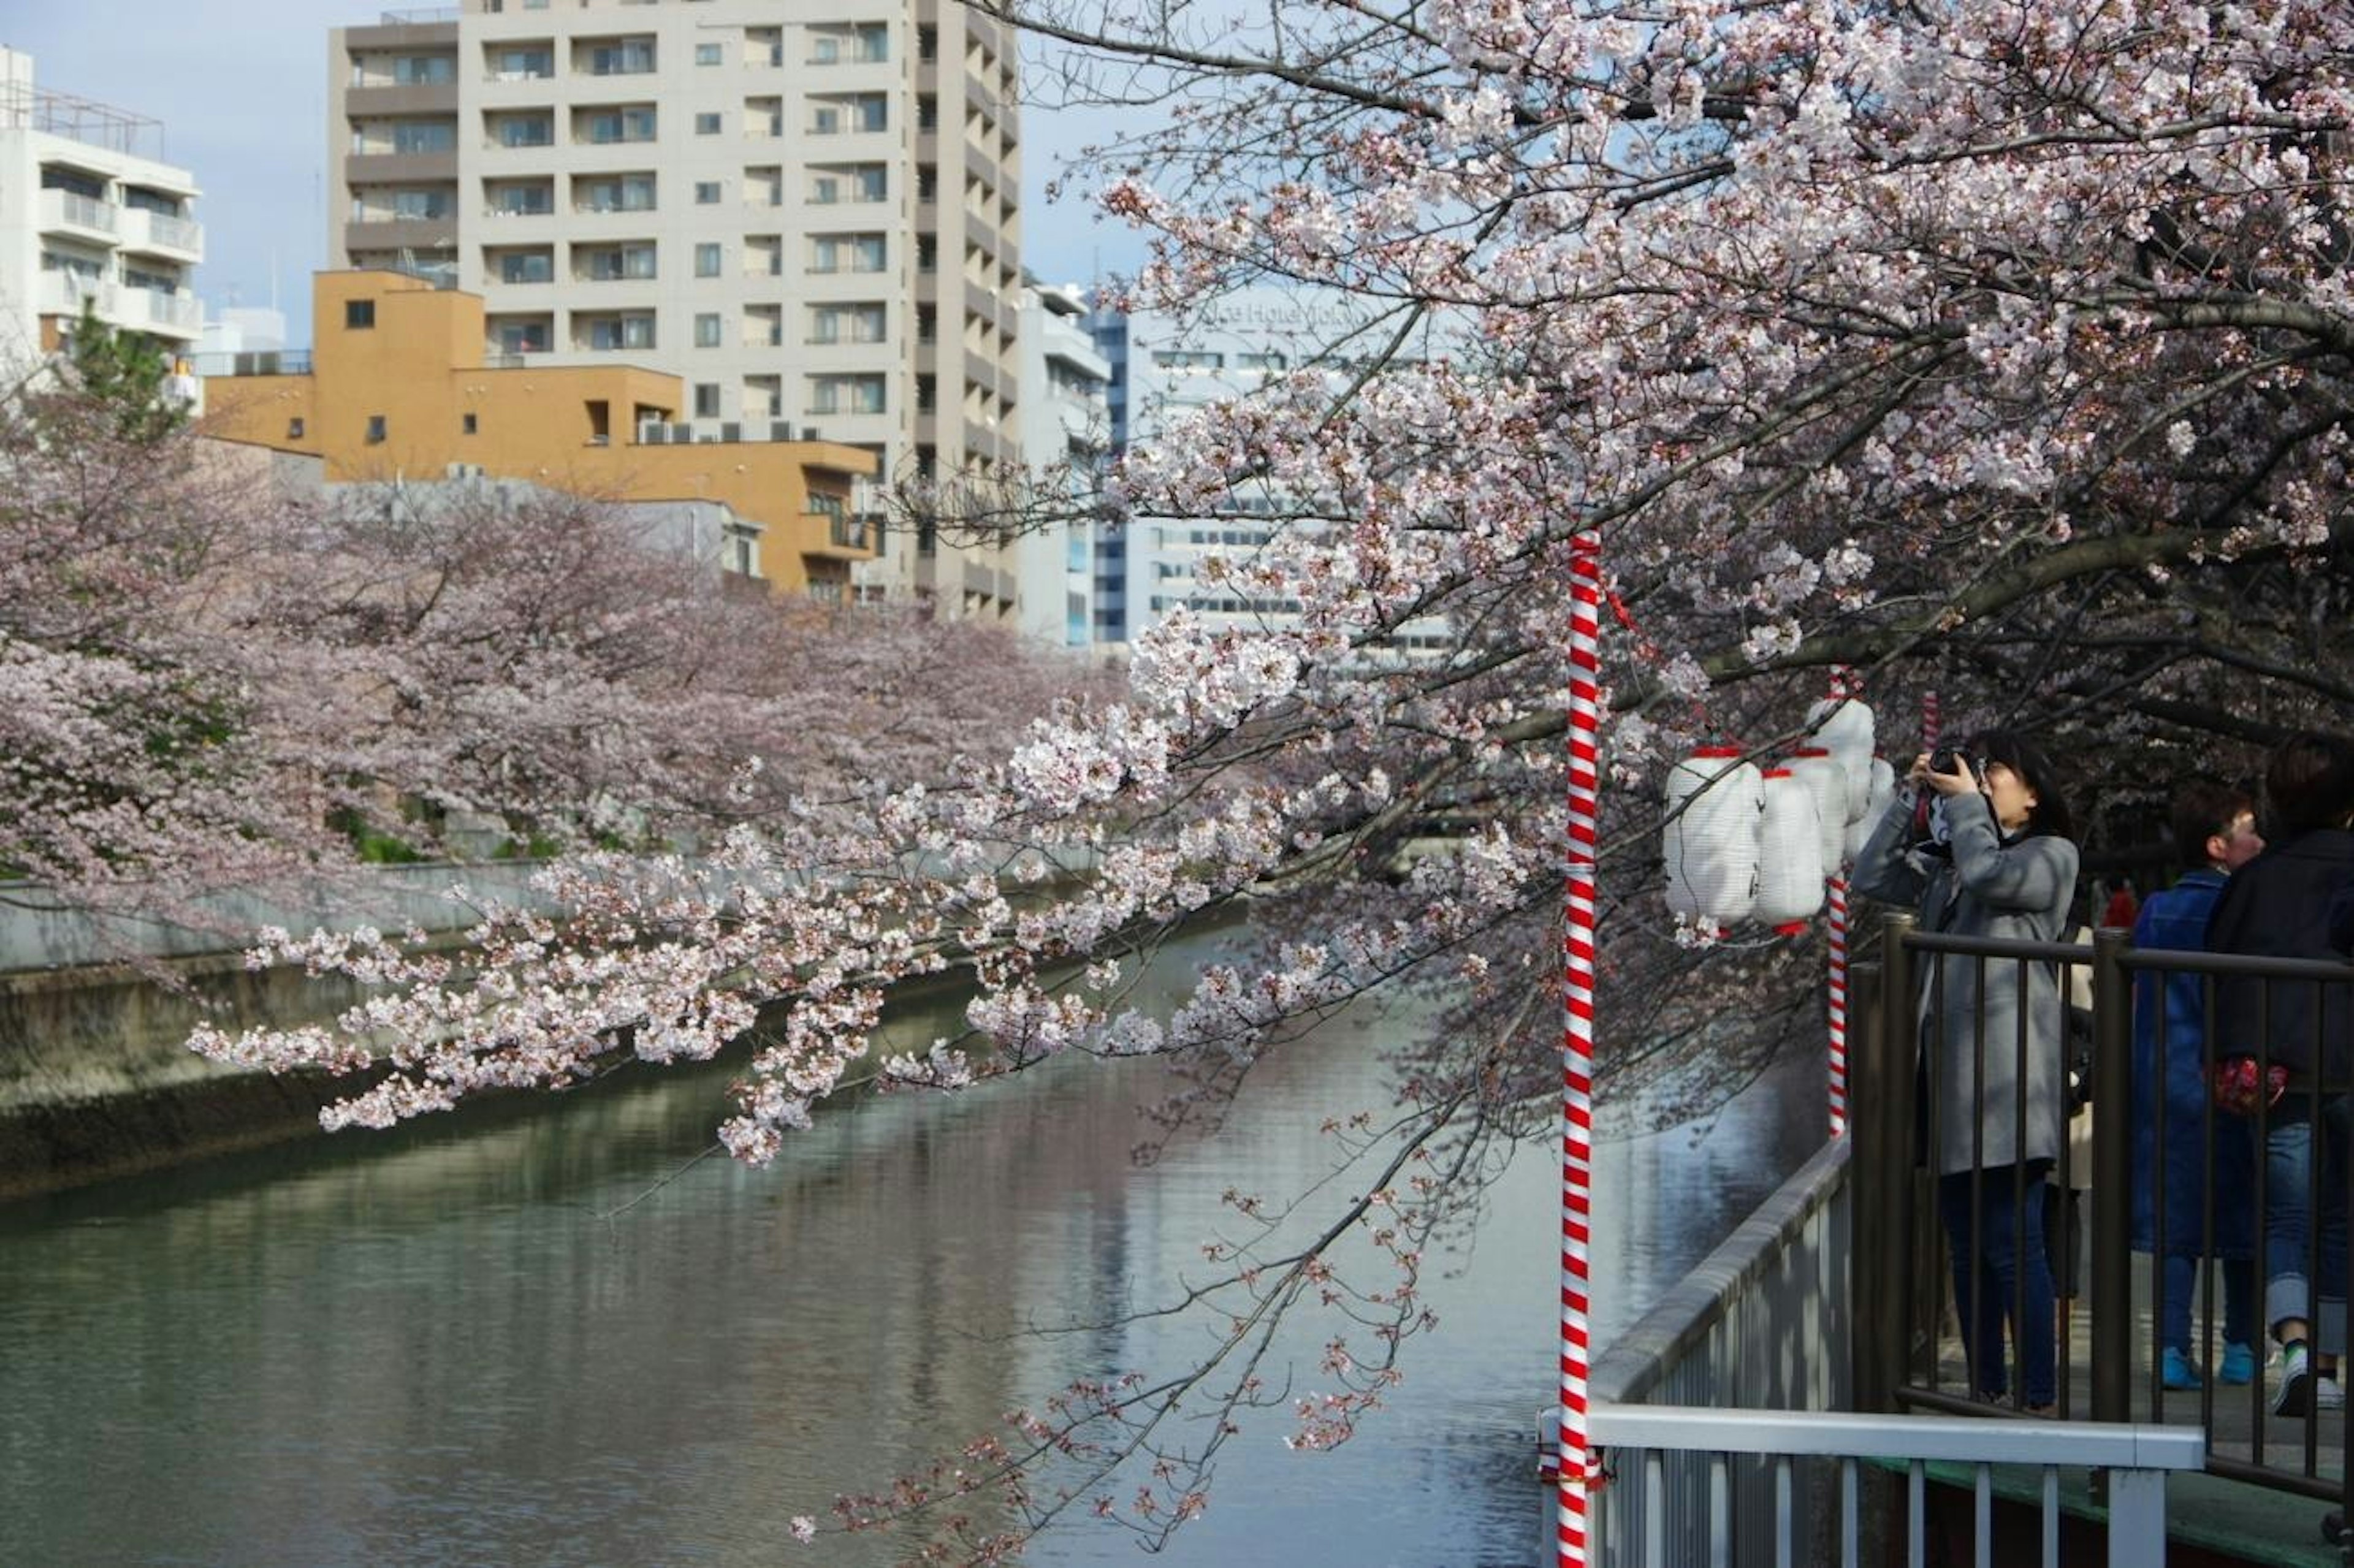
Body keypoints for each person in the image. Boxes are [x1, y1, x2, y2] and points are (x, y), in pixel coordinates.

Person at [1856, 729, 2079, 1412]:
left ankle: (2037, 1396)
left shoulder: (2052, 855)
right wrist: (1911, 797)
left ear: (2034, 793)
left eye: (1996, 775)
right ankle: (1987, 1388)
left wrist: (1967, 813)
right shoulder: (1955, 864)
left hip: (2012, 1082)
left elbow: (1995, 878)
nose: (1981, 787)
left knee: (2012, 1245)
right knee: (1967, 1247)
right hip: (1951, 1085)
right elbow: (1870, 876)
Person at [2205, 731, 2354, 1417]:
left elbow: (2217, 960)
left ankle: (2293, 1350)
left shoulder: (2254, 878)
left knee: (2287, 1212)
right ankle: (2326, 1364)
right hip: (2347, 1062)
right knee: (2341, 1217)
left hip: (2275, 1069)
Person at [2131, 779, 2264, 1390]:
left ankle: (2170, 1349)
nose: (2259, 839)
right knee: (2245, 1213)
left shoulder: (2158, 910)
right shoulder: (2245, 906)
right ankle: (2241, 1344)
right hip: (2237, 1075)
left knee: (2174, 1225)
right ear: (2218, 845)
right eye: (2247, 828)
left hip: (2168, 1078)